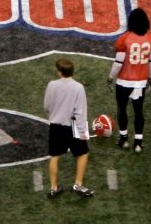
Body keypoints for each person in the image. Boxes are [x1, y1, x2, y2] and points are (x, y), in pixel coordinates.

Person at [43, 58, 94, 198]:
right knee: (83, 154)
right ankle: (78, 184)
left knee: (54, 156)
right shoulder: (78, 87)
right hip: (73, 125)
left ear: (60, 72)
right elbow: (80, 111)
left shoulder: (51, 85)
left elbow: (46, 106)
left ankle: (54, 188)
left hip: (55, 126)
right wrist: (83, 131)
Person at [108, 8, 151, 153]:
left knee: (122, 109)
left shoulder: (124, 39)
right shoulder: (150, 40)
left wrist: (110, 77)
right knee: (138, 111)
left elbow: (118, 63)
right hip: (140, 82)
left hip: (124, 81)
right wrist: (149, 78)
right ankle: (138, 143)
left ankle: (124, 139)